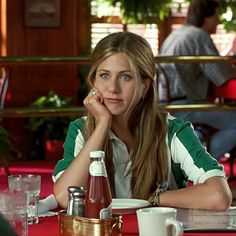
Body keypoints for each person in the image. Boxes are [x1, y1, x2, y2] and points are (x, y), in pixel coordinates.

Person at [53, 31, 232, 211]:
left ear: (145, 86)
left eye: (126, 77)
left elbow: (219, 197)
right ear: (93, 81)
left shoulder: (172, 130)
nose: (112, 88)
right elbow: (63, 197)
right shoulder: (81, 129)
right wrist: (103, 124)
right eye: (105, 75)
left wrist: (152, 198)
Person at [158, 0, 236, 160]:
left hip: (166, 104)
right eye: (217, 16)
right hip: (185, 105)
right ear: (207, 18)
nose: (219, 21)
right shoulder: (198, 35)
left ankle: (194, 150)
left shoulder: (176, 34)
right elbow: (221, 74)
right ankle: (197, 160)